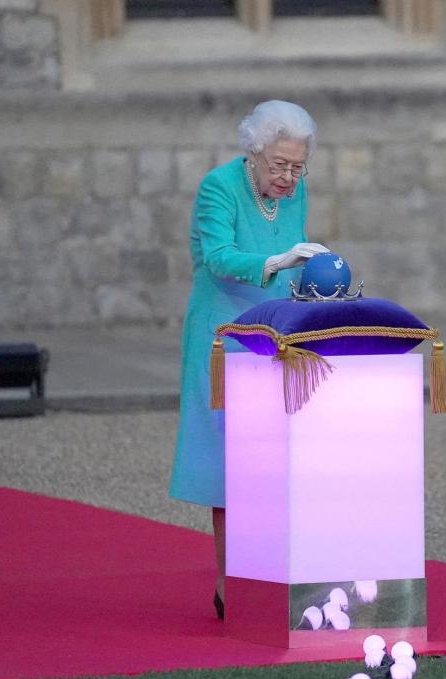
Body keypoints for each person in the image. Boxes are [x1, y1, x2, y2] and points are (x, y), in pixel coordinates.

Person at [169, 100, 328, 619]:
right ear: (254, 153)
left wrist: (322, 291)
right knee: (231, 462)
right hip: (226, 335)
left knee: (280, 458)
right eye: (279, 165)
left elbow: (298, 257)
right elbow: (218, 256)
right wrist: (274, 262)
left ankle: (282, 574)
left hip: (279, 330)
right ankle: (230, 581)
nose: (288, 177)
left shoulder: (295, 191)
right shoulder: (219, 186)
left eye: (298, 166)